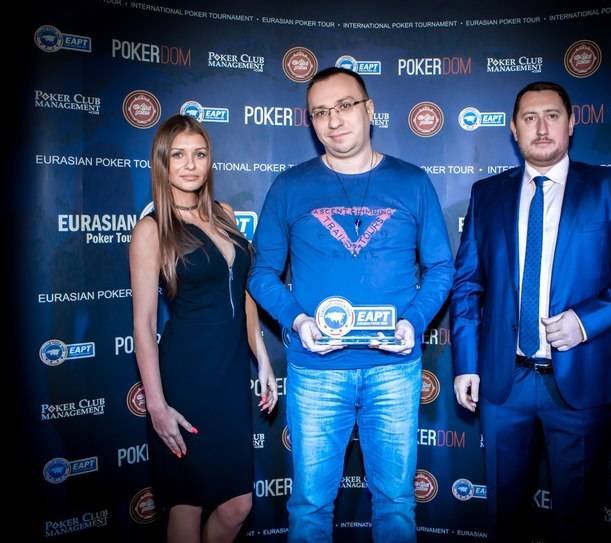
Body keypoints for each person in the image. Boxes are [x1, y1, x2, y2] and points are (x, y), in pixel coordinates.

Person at [451, 81, 611, 542]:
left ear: (571, 124)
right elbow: (468, 283)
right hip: (503, 384)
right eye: (529, 118)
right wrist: (466, 362)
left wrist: (586, 321)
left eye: (552, 115)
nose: (541, 127)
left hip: (581, 383)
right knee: (504, 520)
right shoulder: (487, 194)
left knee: (577, 521)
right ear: (513, 129)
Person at [248, 67, 454, 542]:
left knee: (396, 504)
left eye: (344, 106)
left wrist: (414, 322)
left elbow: (441, 267)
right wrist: (298, 321)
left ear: (369, 110)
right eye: (320, 112)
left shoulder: (412, 182)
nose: (333, 120)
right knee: (310, 507)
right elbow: (261, 273)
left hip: (394, 369)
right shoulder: (290, 186)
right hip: (316, 371)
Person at [129, 114, 277, 543]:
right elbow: (143, 325)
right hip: (185, 379)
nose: (191, 165)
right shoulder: (152, 230)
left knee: (237, 506)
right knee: (187, 505)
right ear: (163, 162)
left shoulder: (224, 215)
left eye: (199, 154)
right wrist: (157, 405)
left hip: (229, 376)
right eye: (178, 155)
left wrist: (262, 358)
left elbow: (244, 294)